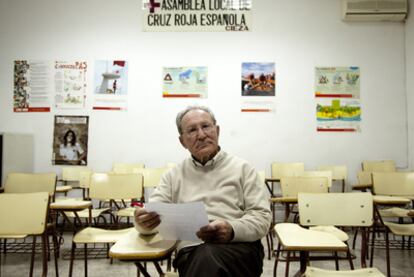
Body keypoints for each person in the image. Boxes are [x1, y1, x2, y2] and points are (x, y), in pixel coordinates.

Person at [134, 106, 271, 276]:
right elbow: (153, 213)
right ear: (182, 141)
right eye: (192, 130)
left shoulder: (243, 169)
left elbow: (262, 218)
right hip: (192, 251)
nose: (201, 135)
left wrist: (232, 229)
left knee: (207, 258)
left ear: (217, 131)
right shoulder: (173, 176)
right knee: (205, 257)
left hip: (239, 247)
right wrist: (142, 222)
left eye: (206, 126)